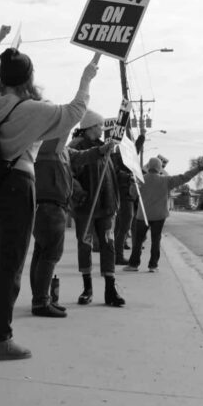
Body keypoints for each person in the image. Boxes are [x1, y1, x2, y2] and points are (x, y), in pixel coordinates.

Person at [0, 25, 97, 361]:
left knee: (1, 263)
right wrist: (86, 78)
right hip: (18, 186)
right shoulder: (32, 109)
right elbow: (75, 112)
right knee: (11, 267)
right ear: (29, 77)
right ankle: (2, 340)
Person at [29, 132, 107, 317]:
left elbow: (81, 156)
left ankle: (40, 298)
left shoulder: (60, 149)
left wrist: (101, 150)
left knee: (42, 252)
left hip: (49, 206)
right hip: (50, 206)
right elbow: (67, 125)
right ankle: (41, 301)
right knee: (50, 253)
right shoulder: (48, 145)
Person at [69, 111, 127, 307]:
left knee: (108, 244)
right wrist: (80, 194)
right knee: (85, 245)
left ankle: (110, 289)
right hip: (86, 207)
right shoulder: (75, 146)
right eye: (99, 126)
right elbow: (68, 175)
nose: (101, 130)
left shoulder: (104, 147)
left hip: (106, 205)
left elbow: (112, 172)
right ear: (90, 126)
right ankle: (87, 288)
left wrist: (126, 179)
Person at [126, 157, 197, 272]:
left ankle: (133, 265)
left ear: (148, 167)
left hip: (142, 215)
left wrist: (133, 184)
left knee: (138, 241)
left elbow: (132, 194)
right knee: (156, 240)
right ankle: (153, 266)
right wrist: (198, 168)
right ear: (159, 168)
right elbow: (185, 177)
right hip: (159, 216)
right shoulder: (166, 181)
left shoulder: (140, 180)